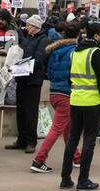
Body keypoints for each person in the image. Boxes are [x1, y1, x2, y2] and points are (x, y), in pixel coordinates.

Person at [60, 25, 100, 190]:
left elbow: (69, 78)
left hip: (76, 100)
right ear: (96, 36)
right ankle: (83, 179)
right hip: (92, 102)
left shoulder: (75, 52)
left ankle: (65, 178)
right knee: (89, 140)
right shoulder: (95, 53)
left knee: (73, 139)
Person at [32, 23, 78, 172]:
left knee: (67, 128)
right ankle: (39, 160)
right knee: (57, 129)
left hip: (54, 91)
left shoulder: (55, 50)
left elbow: (50, 73)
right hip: (67, 93)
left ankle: (76, 157)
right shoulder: (75, 51)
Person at [7, 15, 48, 153]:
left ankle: (31, 141)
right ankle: (21, 139)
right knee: (21, 110)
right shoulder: (28, 38)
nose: (27, 27)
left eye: (29, 25)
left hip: (33, 80)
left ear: (36, 27)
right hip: (21, 78)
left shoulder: (43, 40)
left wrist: (22, 65)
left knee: (30, 112)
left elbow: (39, 60)